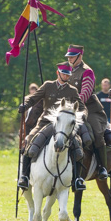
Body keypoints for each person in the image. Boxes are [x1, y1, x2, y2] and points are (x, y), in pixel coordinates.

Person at [17, 62, 85, 191]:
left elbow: (82, 107)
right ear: (58, 73)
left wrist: (83, 115)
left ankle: (77, 179)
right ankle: (24, 177)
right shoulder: (48, 85)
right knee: (29, 141)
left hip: (63, 126)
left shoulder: (72, 90)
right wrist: (25, 105)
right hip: (45, 123)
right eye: (64, 74)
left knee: (78, 148)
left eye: (68, 75)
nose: (66, 77)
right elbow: (33, 98)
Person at [65, 45, 108, 181]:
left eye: (72, 56)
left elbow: (85, 93)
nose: (70, 58)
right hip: (68, 110)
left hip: (90, 110)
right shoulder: (66, 70)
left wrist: (73, 106)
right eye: (69, 56)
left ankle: (102, 167)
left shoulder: (87, 72)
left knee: (97, 134)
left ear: (80, 56)